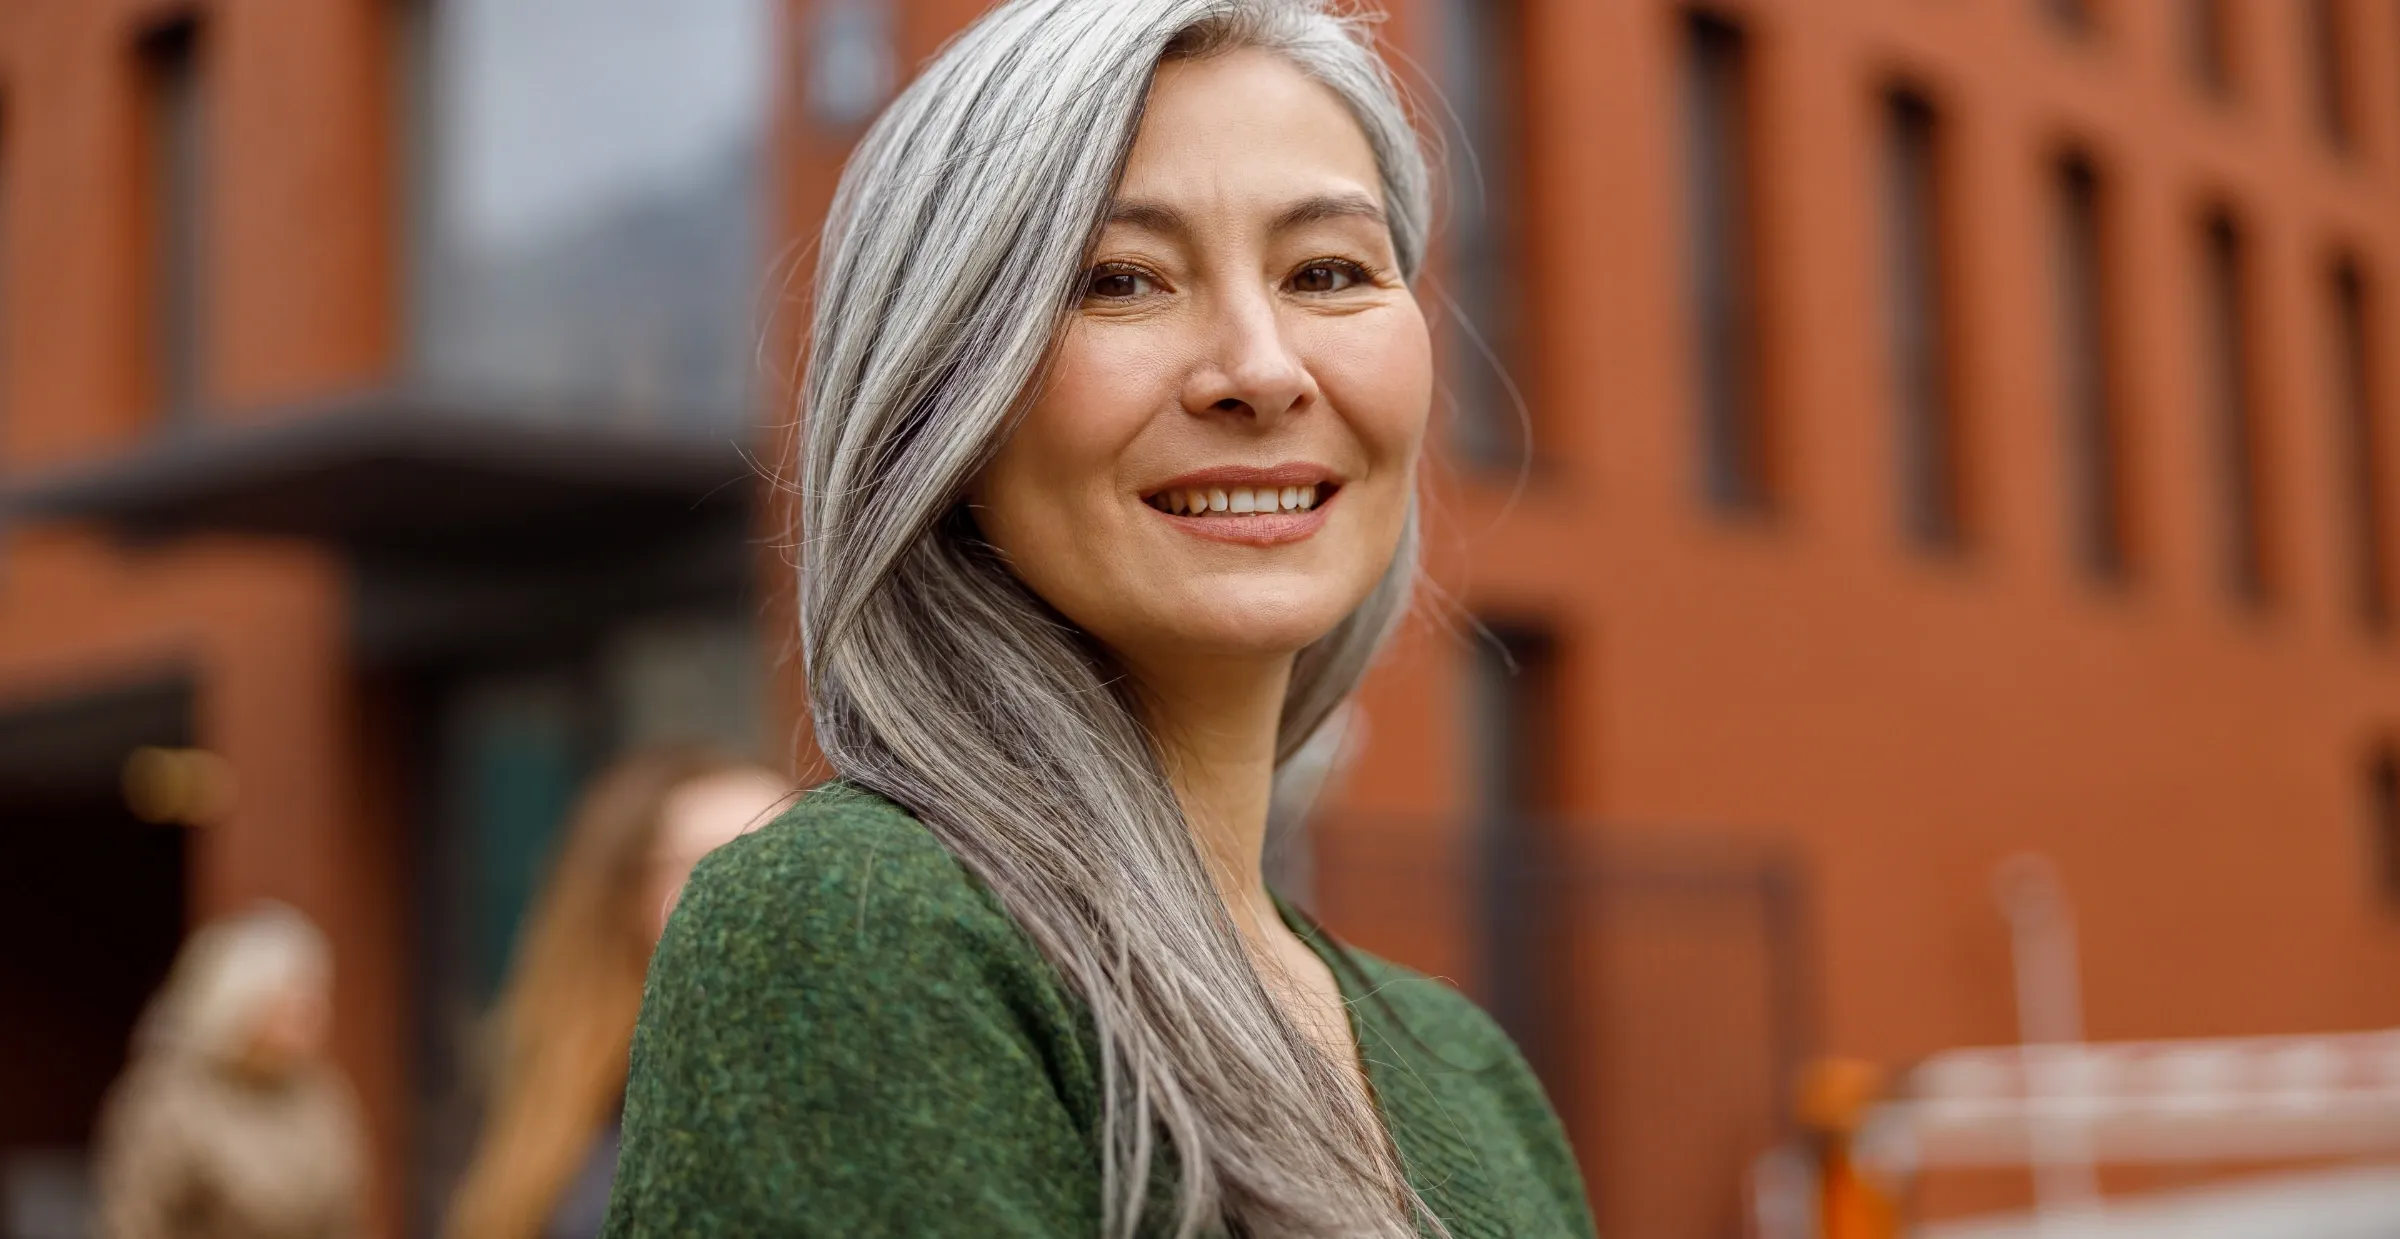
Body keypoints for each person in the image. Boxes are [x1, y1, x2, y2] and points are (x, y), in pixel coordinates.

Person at [604, 2, 1598, 1236]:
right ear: (943, 398)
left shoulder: (1475, 1078)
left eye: (1328, 272)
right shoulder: (857, 926)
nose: (1262, 367)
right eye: (1121, 279)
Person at [443, 749, 790, 1239]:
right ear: (629, 896)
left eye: (789, 862)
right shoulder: (567, 1096)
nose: (771, 896)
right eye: (722, 861)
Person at [92, 903, 365, 1239]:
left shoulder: (322, 1096)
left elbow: (344, 1221)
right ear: (243, 1004)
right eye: (297, 1002)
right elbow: (132, 1224)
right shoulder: (166, 1101)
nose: (317, 1013)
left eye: (318, 998)